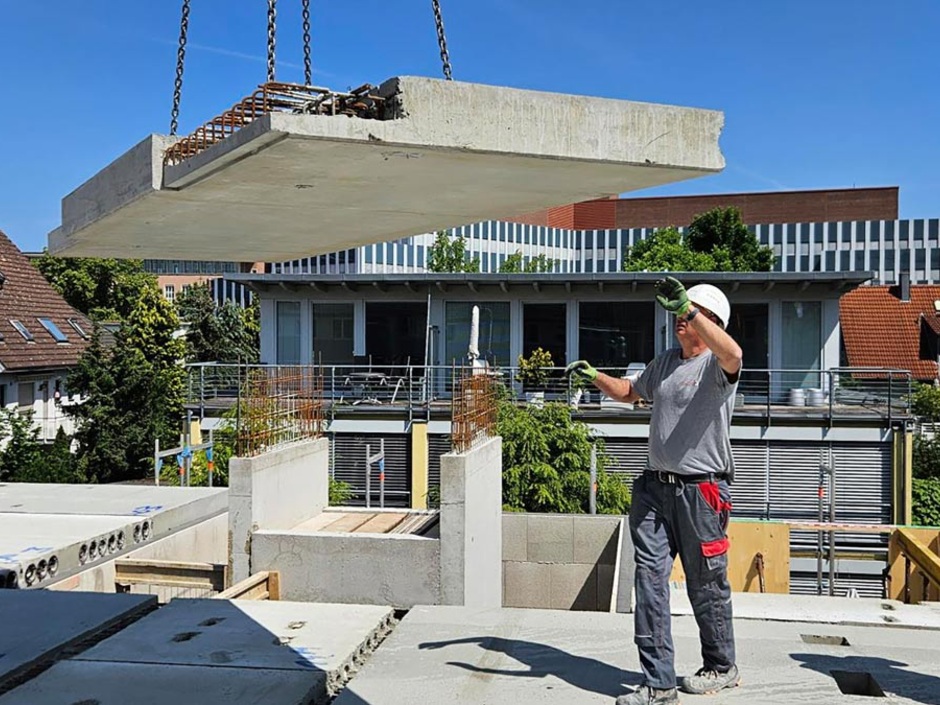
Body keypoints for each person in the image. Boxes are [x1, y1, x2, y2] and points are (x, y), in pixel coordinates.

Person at [565, 277, 742, 705]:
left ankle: (721, 666)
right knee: (649, 583)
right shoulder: (665, 362)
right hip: (654, 490)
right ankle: (659, 683)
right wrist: (595, 378)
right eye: (681, 312)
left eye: (693, 312)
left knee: (706, 585)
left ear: (711, 321)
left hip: (701, 493)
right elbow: (630, 392)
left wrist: (691, 308)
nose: (681, 318)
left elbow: (734, 353)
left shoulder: (718, 367)